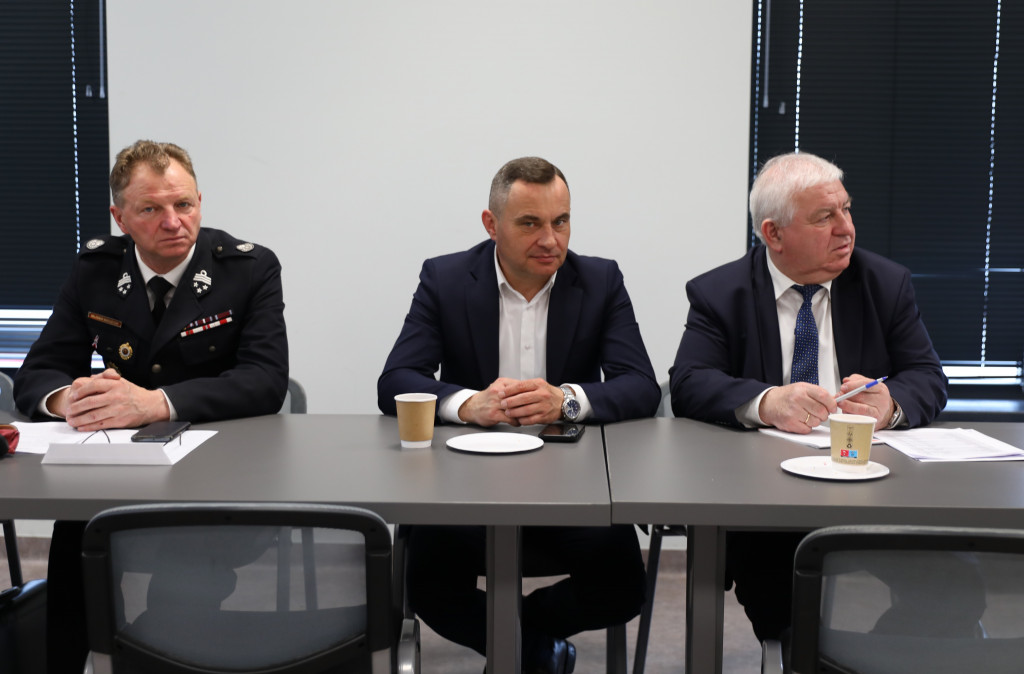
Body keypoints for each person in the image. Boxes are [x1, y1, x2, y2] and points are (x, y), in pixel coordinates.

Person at [14, 139, 289, 674]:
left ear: (200, 202)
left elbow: (265, 380)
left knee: (182, 594)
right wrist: (71, 398)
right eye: (150, 209)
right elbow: (39, 372)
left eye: (183, 204)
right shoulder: (95, 269)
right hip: (112, 471)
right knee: (74, 551)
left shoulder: (248, 268)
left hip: (217, 473)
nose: (173, 222)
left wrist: (155, 403)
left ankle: (152, 654)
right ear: (120, 218)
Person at [378, 156, 659, 674]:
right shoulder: (445, 278)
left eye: (561, 221)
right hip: (466, 484)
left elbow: (641, 385)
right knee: (430, 586)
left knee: (622, 587)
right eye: (530, 223)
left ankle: (524, 645)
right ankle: (538, 653)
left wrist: (567, 400)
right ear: (492, 224)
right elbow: (395, 380)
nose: (550, 239)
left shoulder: (600, 280)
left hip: (573, 487)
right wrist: (469, 404)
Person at [669, 151, 948, 645]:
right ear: (773, 234)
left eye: (847, 209)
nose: (846, 229)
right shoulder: (720, 293)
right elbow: (689, 382)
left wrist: (890, 404)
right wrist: (766, 402)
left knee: (956, 591)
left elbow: (928, 377)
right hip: (767, 499)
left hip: (876, 488)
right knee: (787, 614)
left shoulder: (884, 283)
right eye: (824, 217)